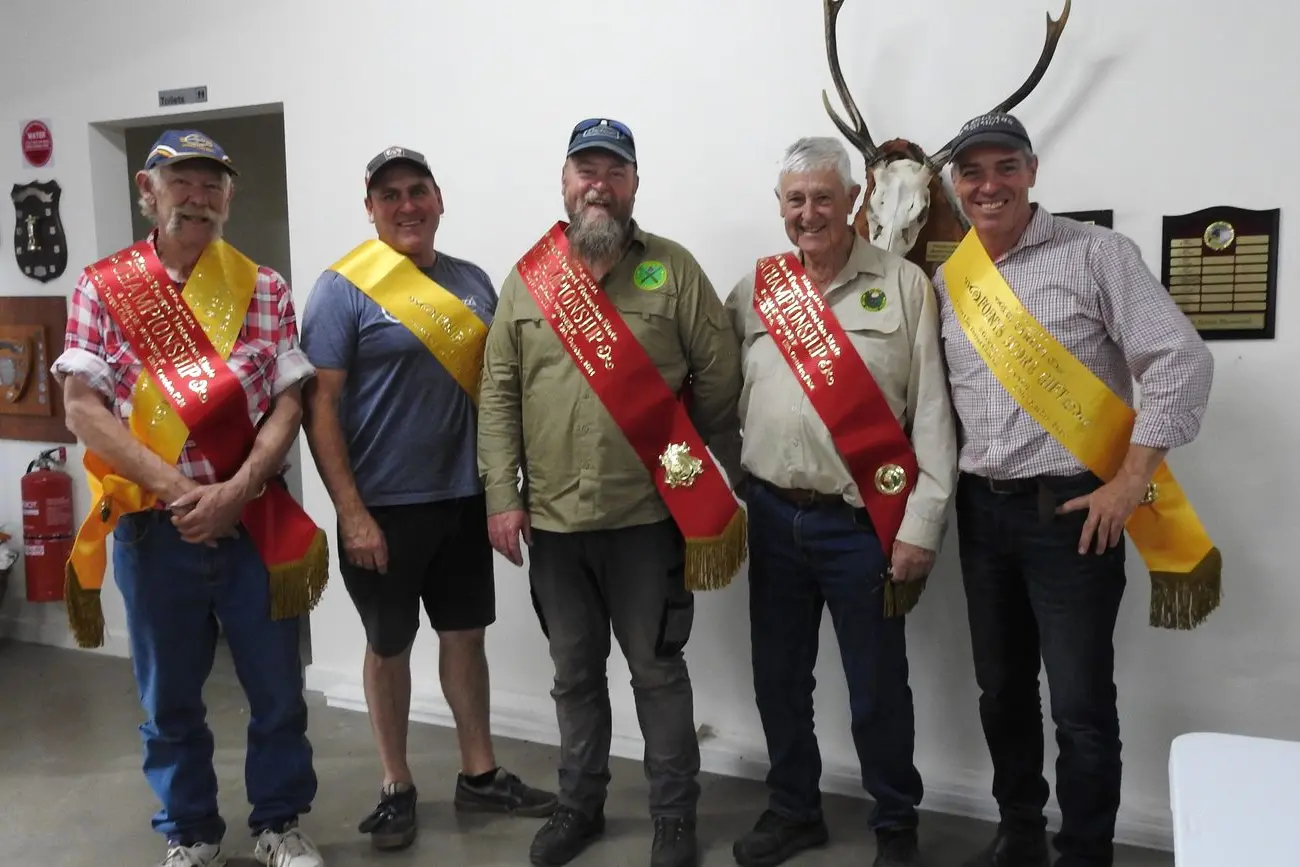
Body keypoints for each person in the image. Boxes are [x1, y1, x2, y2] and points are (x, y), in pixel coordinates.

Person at [931, 112, 1217, 867]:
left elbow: (1180, 360)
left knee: (1082, 705)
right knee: (1001, 692)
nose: (987, 185)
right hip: (981, 511)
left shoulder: (1098, 254)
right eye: (972, 172)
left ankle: (1085, 850)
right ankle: (1019, 829)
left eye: (1004, 167)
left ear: (1031, 171)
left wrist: (1131, 480)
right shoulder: (950, 279)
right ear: (955, 185)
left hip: (1071, 511)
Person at [52, 130, 328, 867]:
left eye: (213, 186)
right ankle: (192, 833)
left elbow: (288, 404)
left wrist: (236, 490)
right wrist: (182, 493)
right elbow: (83, 409)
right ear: (149, 189)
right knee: (169, 699)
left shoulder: (262, 286)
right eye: (183, 183)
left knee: (277, 690)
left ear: (229, 198)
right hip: (153, 529)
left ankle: (278, 822)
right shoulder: (104, 285)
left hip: (252, 520)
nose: (198, 198)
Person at [476, 117, 746, 867]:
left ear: (634, 183)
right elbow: (497, 392)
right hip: (556, 525)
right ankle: (579, 805)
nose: (599, 183)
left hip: (645, 520)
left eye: (614, 170)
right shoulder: (529, 279)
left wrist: (684, 456)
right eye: (584, 169)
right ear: (564, 182)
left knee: (658, 671)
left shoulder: (673, 270)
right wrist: (504, 492)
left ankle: (673, 817)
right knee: (573, 675)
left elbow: (719, 376)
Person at [299, 145, 557, 850]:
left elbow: (502, 392)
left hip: (464, 496)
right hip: (381, 506)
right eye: (390, 196)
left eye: (418, 191)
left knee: (465, 635)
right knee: (388, 645)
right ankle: (396, 784)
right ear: (371, 209)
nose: (406, 205)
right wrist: (351, 512)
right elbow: (320, 406)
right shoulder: (342, 288)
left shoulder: (473, 280)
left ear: (439, 199)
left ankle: (479, 774)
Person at [718, 136, 957, 867]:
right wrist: (742, 482)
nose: (810, 212)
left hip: (864, 527)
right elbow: (720, 396)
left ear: (854, 199)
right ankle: (794, 808)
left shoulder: (905, 285)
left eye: (825, 196)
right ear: (780, 208)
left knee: (877, 684)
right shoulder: (755, 290)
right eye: (796, 199)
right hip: (775, 518)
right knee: (779, 676)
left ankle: (895, 821)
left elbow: (933, 419)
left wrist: (920, 524)